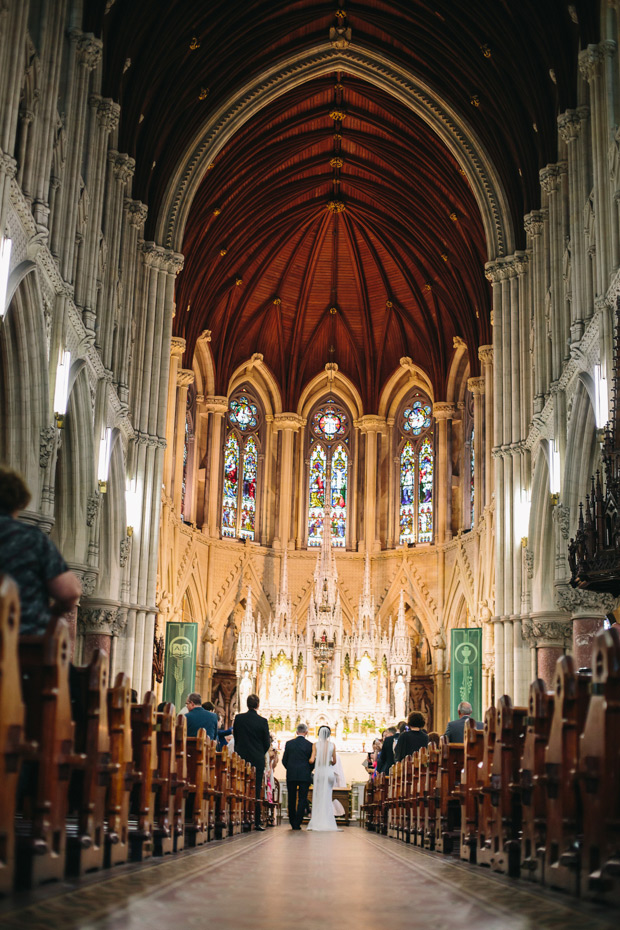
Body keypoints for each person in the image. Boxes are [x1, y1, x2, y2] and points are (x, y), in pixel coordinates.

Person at [0, 466, 82, 634]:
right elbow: (70, 591)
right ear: (17, 503)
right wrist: (53, 610)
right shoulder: (30, 538)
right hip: (24, 642)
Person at [233, 693, 271, 830]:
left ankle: (239, 818)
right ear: (258, 705)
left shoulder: (239, 718)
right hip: (257, 758)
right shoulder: (263, 721)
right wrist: (260, 752)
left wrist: (241, 749)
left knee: (240, 785)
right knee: (256, 789)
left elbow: (235, 736)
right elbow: (267, 742)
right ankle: (256, 821)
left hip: (241, 756)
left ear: (247, 704)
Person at [307, 725, 341, 832]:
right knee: (327, 796)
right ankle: (328, 821)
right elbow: (334, 761)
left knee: (319, 796)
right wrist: (327, 761)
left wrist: (313, 760)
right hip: (329, 773)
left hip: (320, 772)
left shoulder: (315, 745)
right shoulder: (332, 745)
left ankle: (318, 821)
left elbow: (312, 760)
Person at [282, 723, 314, 830]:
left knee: (291, 798)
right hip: (304, 775)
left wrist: (290, 769)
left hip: (291, 774)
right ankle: (298, 822)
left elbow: (284, 760)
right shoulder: (310, 745)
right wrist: (307, 771)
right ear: (306, 732)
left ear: (296, 732)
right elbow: (312, 762)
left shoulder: (289, 743)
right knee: (302, 798)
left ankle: (292, 821)